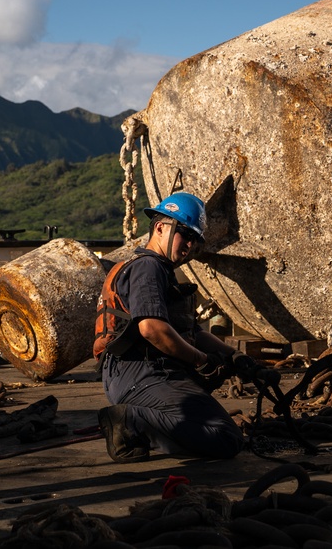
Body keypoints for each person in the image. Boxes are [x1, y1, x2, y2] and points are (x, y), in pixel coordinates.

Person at [93, 192, 251, 462]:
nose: (189, 245)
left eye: (194, 240)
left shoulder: (160, 271)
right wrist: (202, 362)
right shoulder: (148, 268)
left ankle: (138, 425)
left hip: (135, 373)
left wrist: (234, 357)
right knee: (226, 437)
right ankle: (131, 423)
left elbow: (193, 333)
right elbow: (151, 329)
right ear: (160, 227)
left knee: (216, 432)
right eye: (185, 234)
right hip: (142, 373)